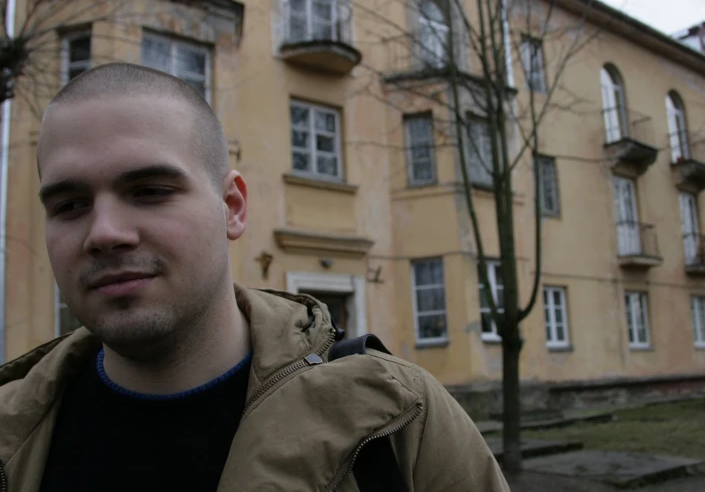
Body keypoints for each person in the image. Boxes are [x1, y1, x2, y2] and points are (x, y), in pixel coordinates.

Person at [0, 63, 509, 492]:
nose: (104, 233)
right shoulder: (11, 432)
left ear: (232, 207)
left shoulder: (399, 418)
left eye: (150, 190)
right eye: (69, 205)